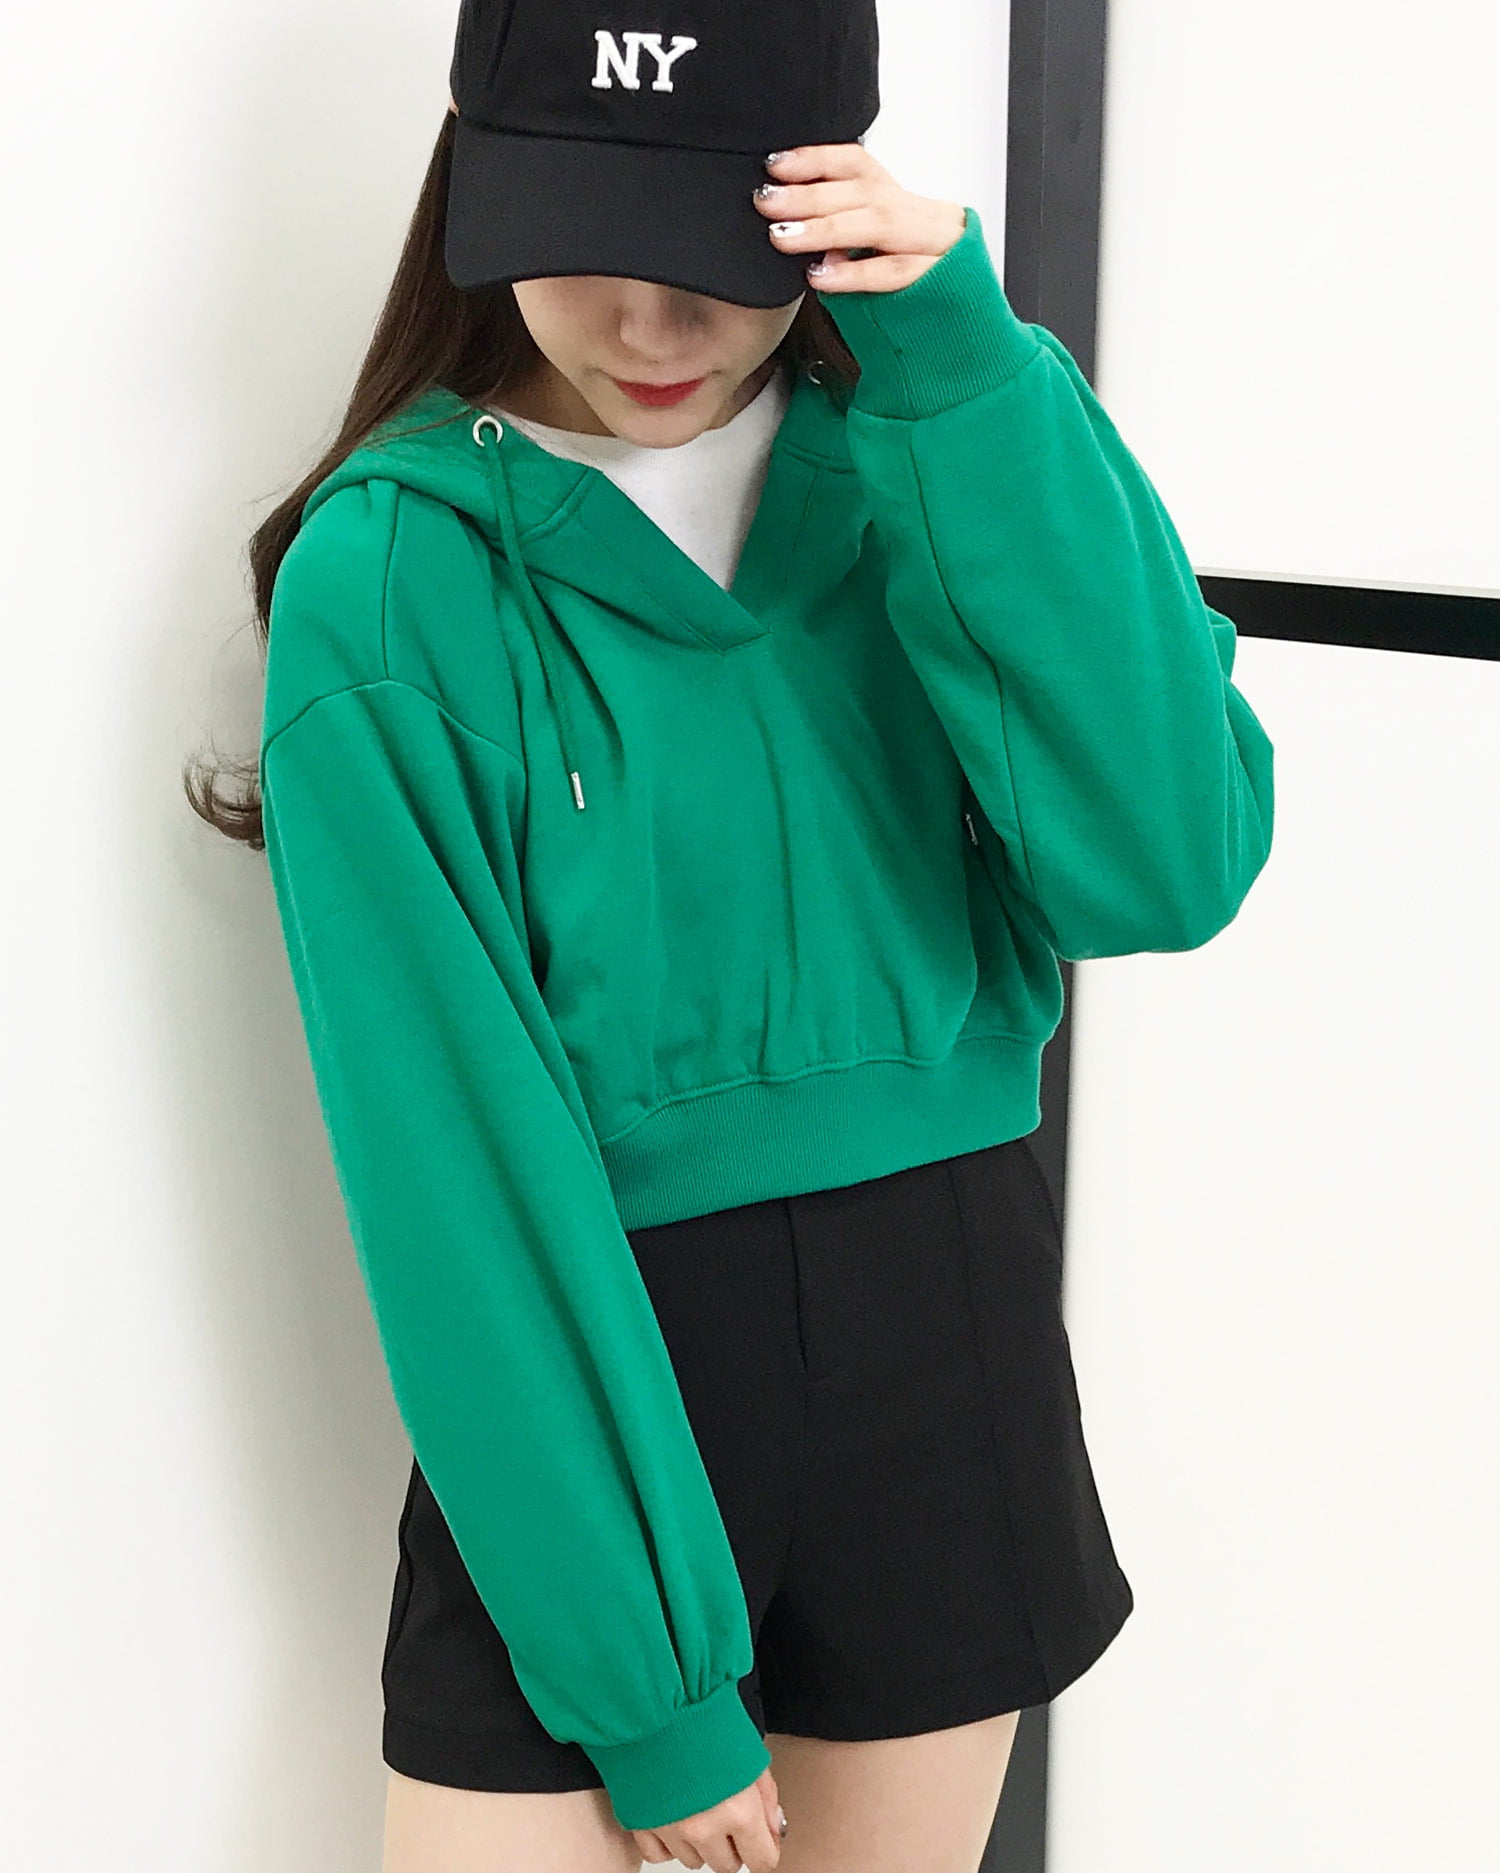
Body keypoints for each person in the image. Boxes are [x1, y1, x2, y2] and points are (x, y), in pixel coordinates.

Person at [186, 3, 1275, 1869]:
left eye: (711, 254)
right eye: (585, 241)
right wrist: (648, 1687)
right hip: (580, 1380)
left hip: (944, 1355)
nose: (649, 326)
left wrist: (967, 365)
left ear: (825, 202)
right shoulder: (396, 571)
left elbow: (1166, 864)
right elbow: (457, 1175)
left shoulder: (937, 456)